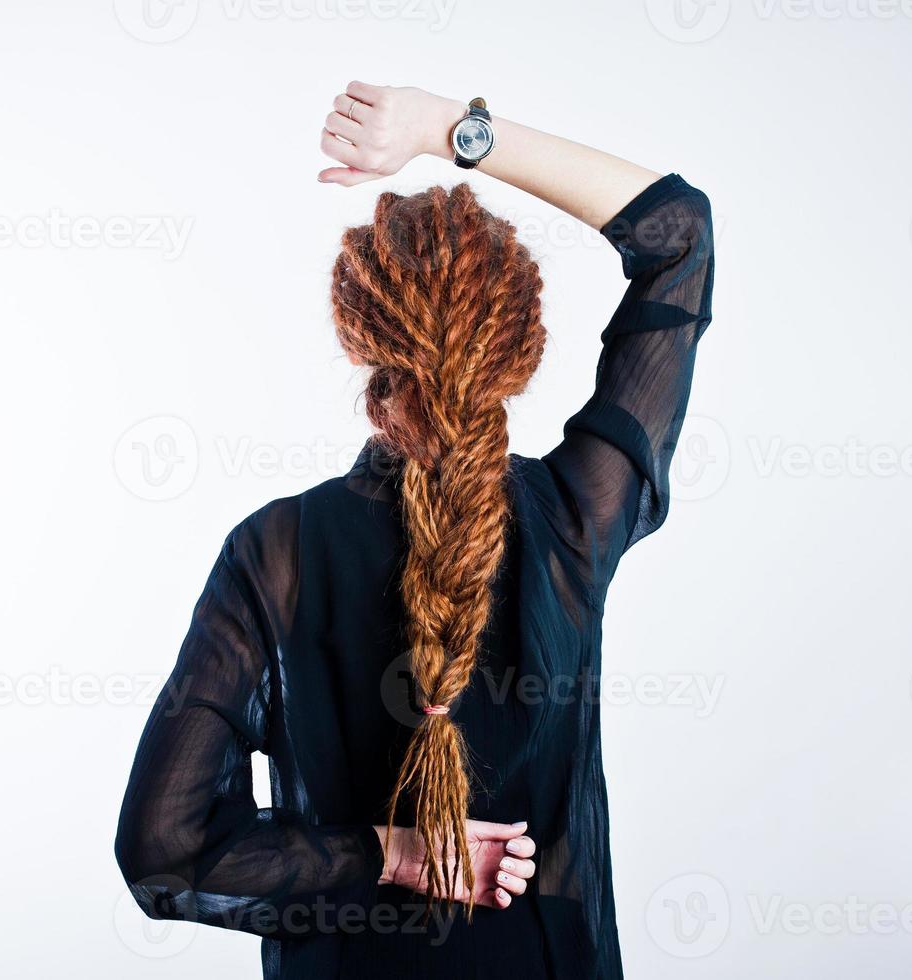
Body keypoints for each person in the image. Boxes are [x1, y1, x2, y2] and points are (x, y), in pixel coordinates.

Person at [114, 81, 715, 979]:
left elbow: (166, 849)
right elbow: (679, 237)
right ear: (515, 350)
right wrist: (447, 130)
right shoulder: (573, 522)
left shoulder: (272, 555)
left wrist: (393, 854)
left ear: (363, 353)